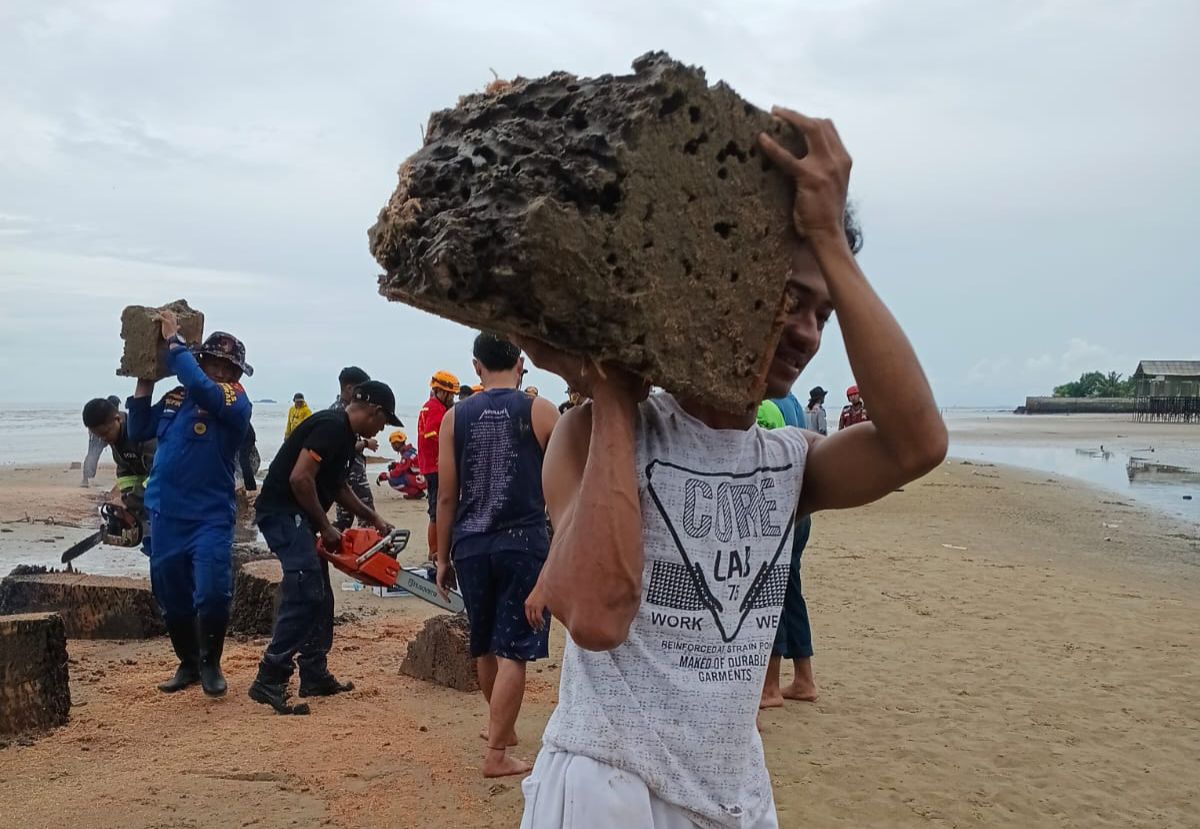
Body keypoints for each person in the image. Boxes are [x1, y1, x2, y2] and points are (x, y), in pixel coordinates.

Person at [515, 108, 947, 828]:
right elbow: (594, 613)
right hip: (610, 789)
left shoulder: (789, 461)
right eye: (787, 301)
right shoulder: (590, 434)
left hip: (736, 788)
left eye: (823, 311)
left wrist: (829, 240)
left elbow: (917, 444)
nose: (808, 333)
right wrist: (616, 390)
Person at [434, 333, 559, 777]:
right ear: (521, 361)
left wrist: (442, 555)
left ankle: (498, 730)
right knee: (514, 651)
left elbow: (446, 496)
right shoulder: (539, 410)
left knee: (485, 643)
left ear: (476, 366)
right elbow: (564, 483)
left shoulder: (455, 417)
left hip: (470, 544)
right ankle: (497, 754)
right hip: (522, 543)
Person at [248, 380, 400, 714]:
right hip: (282, 513)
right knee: (305, 588)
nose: (382, 428)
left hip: (299, 515)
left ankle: (314, 672)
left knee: (320, 593)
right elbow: (300, 478)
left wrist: (373, 517)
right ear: (374, 412)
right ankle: (270, 677)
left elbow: (337, 486)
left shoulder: (344, 436)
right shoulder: (331, 426)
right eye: (383, 422)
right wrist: (325, 526)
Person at [126, 313, 253, 697]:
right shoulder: (176, 397)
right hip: (165, 513)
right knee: (171, 595)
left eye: (228, 367)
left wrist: (174, 344)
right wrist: (145, 377)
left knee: (213, 591)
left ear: (236, 375)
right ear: (202, 362)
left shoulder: (234, 400)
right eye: (213, 362)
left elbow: (207, 391)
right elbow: (137, 430)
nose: (219, 371)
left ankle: (211, 663)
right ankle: (188, 663)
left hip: (210, 517)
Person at [81, 396, 156, 553]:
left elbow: (159, 475)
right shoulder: (116, 441)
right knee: (149, 539)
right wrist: (125, 499)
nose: (104, 439)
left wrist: (130, 501)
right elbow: (126, 473)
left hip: (175, 488)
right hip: (151, 492)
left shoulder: (143, 433)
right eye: (99, 436)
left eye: (105, 433)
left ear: (117, 419)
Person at [418, 370, 459, 562]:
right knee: (437, 510)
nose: (452, 399)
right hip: (435, 467)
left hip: (431, 465)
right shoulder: (435, 408)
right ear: (441, 392)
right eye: (451, 395)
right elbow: (432, 434)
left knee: (437, 507)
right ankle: (434, 551)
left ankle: (437, 549)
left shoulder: (430, 406)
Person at [330, 367, 376, 530]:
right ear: (350, 388)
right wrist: (366, 443)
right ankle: (366, 553)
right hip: (351, 474)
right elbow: (344, 447)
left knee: (343, 520)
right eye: (362, 392)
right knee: (367, 514)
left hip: (343, 473)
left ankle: (334, 551)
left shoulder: (336, 409)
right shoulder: (344, 413)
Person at [376, 429, 427, 500]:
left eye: (393, 444)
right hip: (424, 477)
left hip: (422, 479)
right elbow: (406, 466)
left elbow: (399, 471)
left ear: (397, 443)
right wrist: (396, 465)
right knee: (399, 473)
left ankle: (415, 492)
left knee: (393, 480)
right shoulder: (411, 451)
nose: (392, 446)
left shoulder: (406, 455)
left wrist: (385, 475)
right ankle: (416, 492)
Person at [238, 421, 259, 491]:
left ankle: (250, 487)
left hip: (246, 436)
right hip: (246, 434)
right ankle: (248, 485)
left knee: (243, 460)